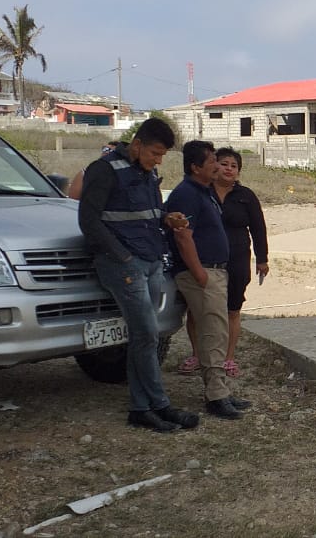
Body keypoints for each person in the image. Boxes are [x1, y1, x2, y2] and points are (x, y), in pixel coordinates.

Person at [78, 118, 200, 432]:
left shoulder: (148, 174)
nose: (158, 161)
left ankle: (143, 407)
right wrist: (123, 257)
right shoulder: (104, 169)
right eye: (154, 153)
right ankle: (155, 405)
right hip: (124, 265)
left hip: (150, 260)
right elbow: (89, 221)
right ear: (137, 144)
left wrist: (167, 218)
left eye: (162, 156)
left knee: (144, 337)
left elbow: (150, 214)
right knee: (146, 335)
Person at [164, 141, 254, 420]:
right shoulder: (187, 194)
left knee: (218, 330)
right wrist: (200, 274)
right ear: (195, 167)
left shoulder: (204, 192)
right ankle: (216, 396)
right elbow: (183, 235)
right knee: (213, 332)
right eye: (213, 161)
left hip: (215, 271)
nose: (218, 165)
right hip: (202, 273)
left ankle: (221, 389)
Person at [210, 147, 268, 377]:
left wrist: (262, 259)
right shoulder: (202, 192)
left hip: (237, 259)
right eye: (224, 164)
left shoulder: (246, 196)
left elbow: (258, 228)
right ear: (213, 166)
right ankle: (198, 355)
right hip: (206, 261)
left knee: (233, 309)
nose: (229, 169)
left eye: (234, 166)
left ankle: (228, 358)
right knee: (201, 310)